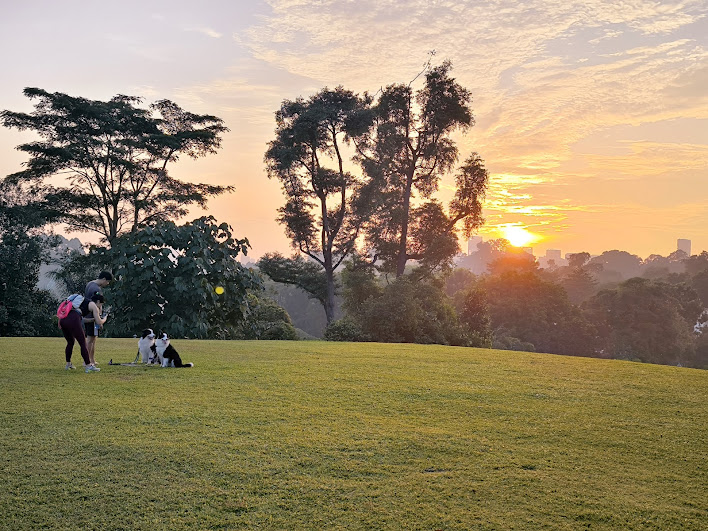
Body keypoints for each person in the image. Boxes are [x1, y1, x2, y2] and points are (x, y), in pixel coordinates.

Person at [59, 292, 106, 373]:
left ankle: (68, 364)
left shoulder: (80, 303)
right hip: (73, 319)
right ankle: (88, 366)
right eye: (100, 304)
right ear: (98, 302)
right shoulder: (93, 305)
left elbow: (81, 319)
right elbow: (99, 321)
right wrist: (105, 319)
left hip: (63, 319)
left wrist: (92, 320)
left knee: (70, 342)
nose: (100, 307)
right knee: (83, 343)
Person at [84, 271, 112, 366]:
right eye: (107, 281)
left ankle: (92, 360)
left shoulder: (89, 284)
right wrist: (99, 319)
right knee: (90, 339)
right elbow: (98, 305)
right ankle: (87, 360)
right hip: (92, 316)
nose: (107, 284)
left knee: (93, 339)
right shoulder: (96, 289)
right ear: (103, 279)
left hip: (88, 314)